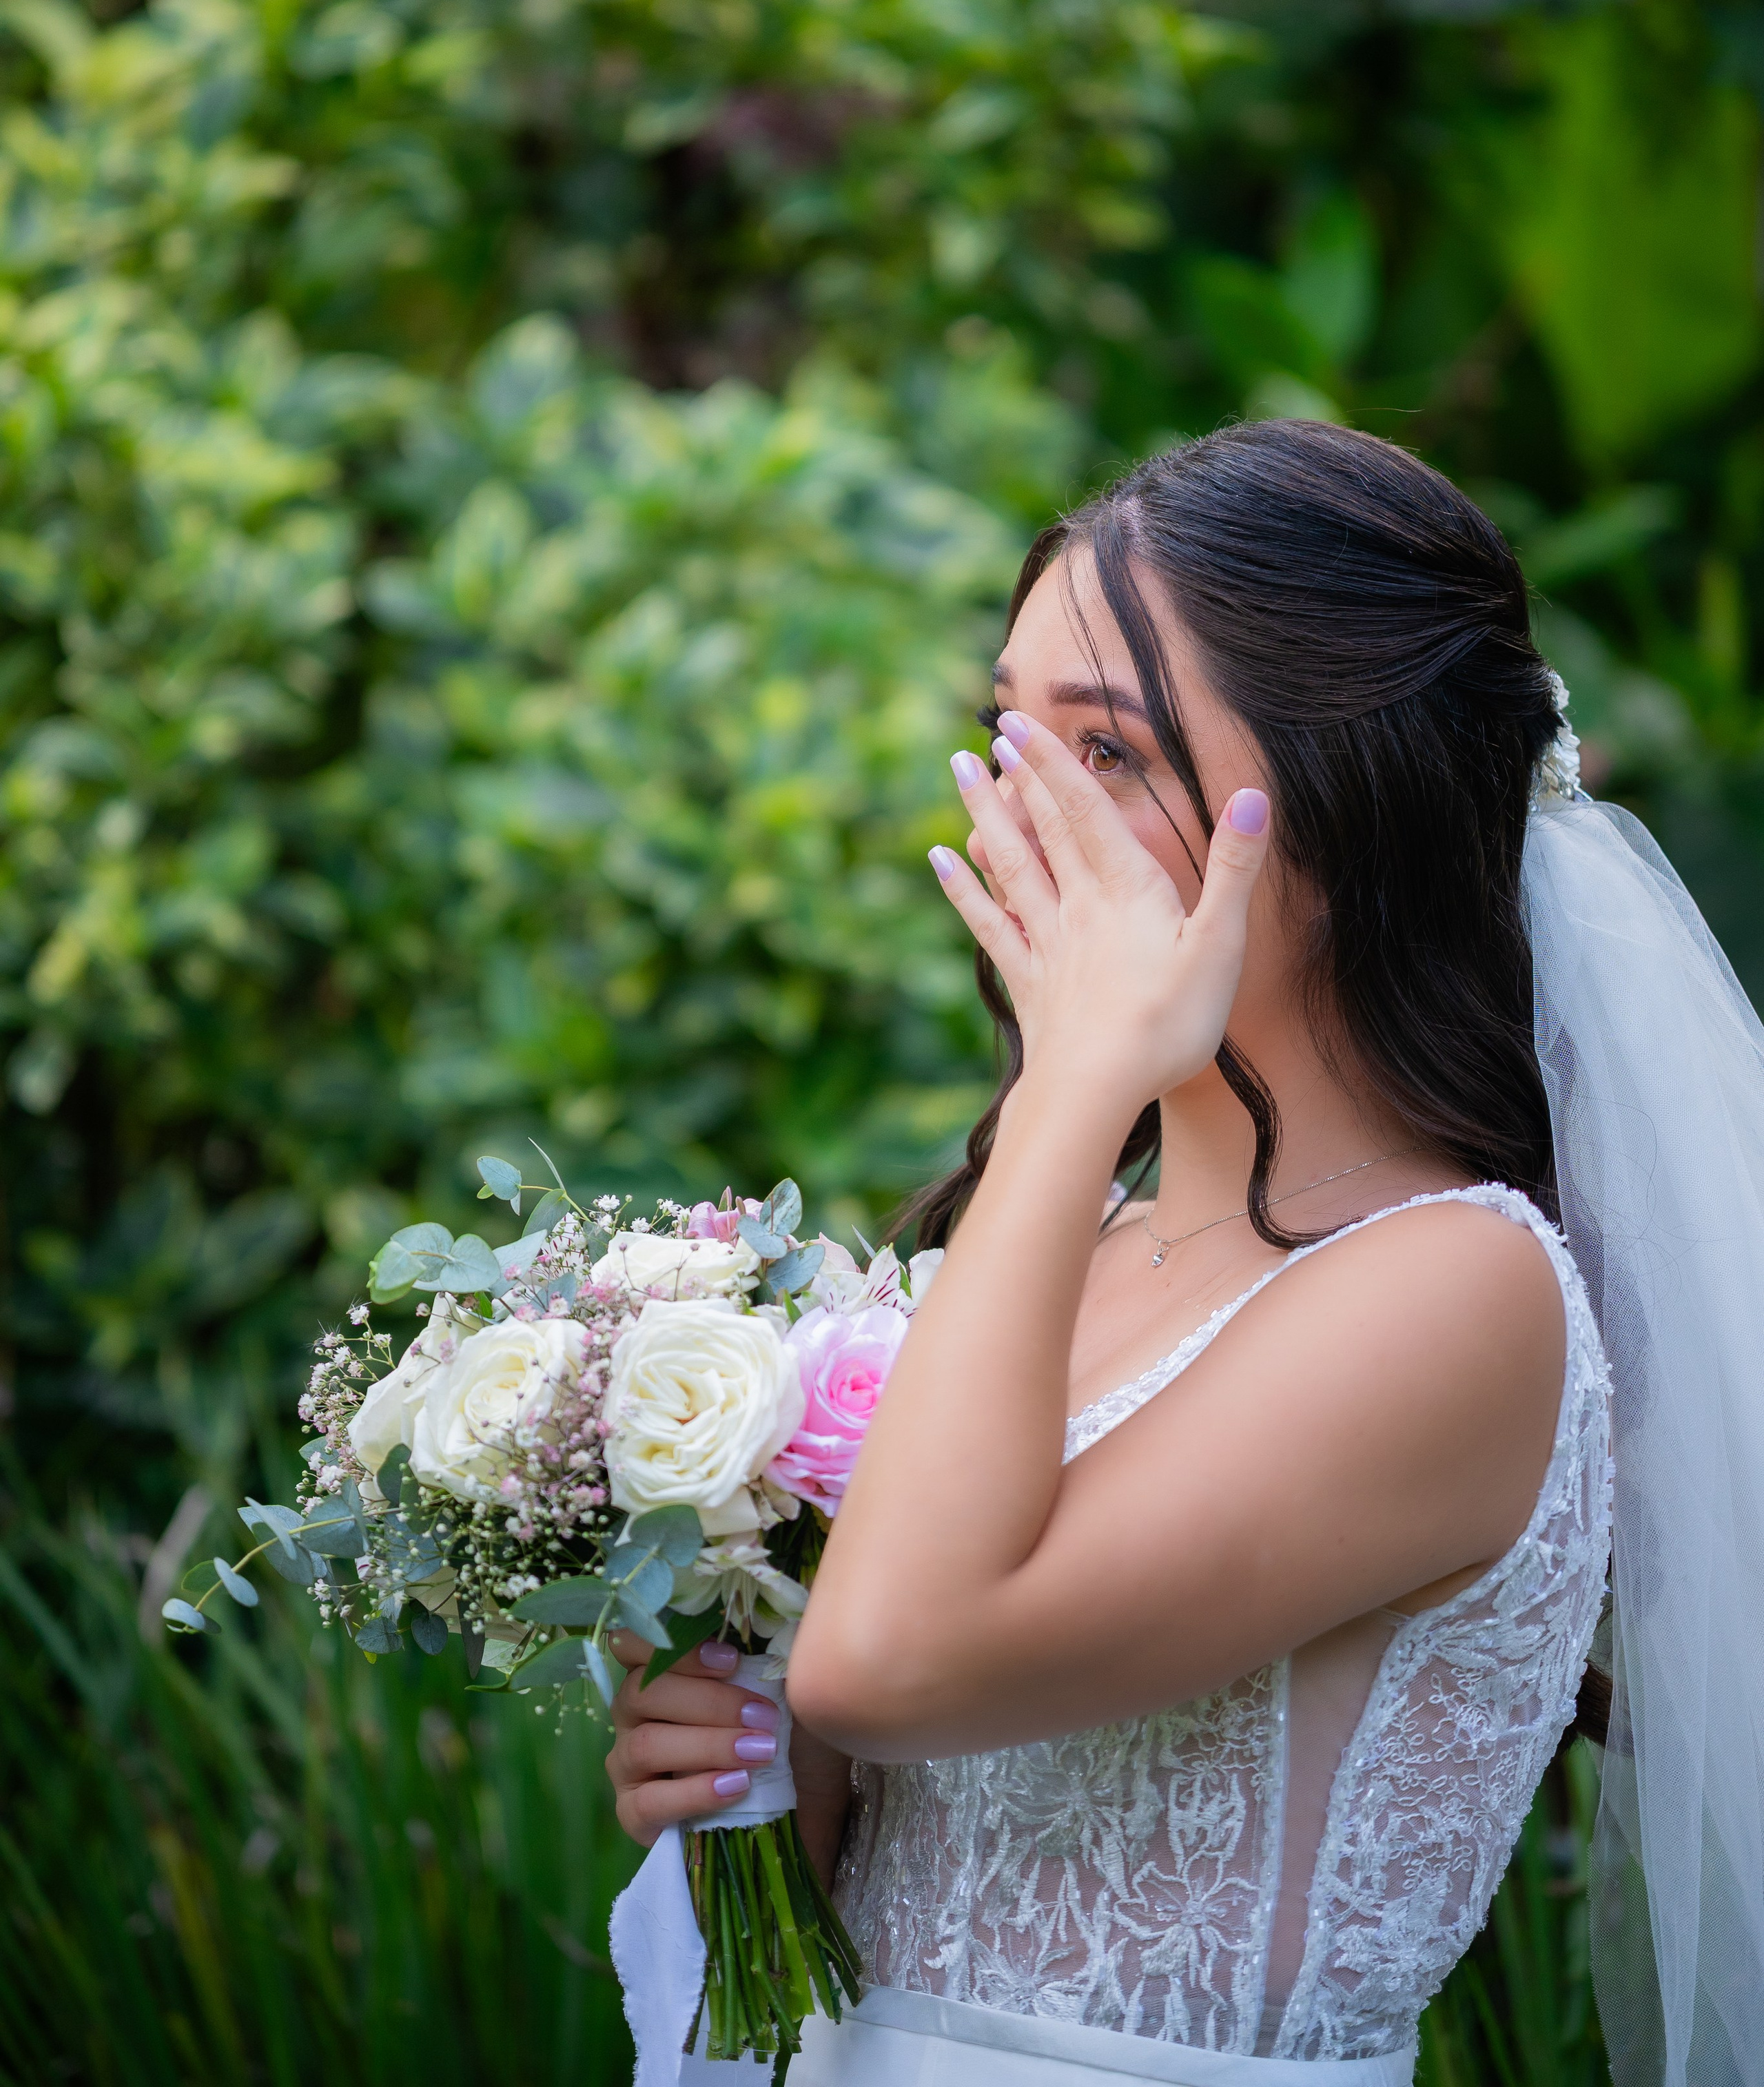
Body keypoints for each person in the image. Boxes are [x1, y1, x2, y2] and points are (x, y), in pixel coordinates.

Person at [606, 421, 1764, 2087]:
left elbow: (889, 1661)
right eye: (1009, 739)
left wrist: (1081, 1074)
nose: (1024, 820)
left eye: (1113, 752)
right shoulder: (1056, 1246)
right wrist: (739, 1773)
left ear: (1350, 798)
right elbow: (878, 1815)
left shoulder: (1454, 1292)